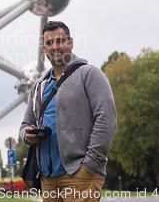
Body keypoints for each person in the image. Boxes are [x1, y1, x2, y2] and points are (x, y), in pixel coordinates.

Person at [19, 21, 117, 202]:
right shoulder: (39, 86)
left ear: (70, 43)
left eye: (59, 41)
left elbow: (106, 121)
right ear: (43, 48)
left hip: (79, 173)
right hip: (47, 178)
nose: (54, 47)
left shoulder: (89, 75)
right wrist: (27, 135)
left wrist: (88, 165)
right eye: (49, 43)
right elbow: (25, 125)